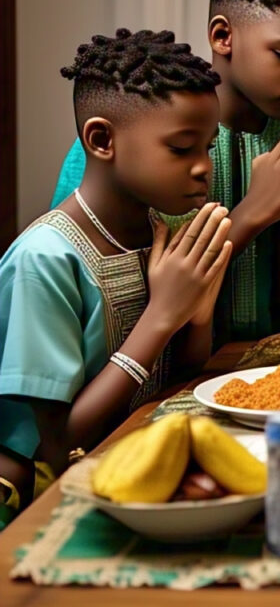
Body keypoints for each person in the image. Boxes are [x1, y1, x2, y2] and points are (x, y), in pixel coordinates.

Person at [51, 0, 280, 340]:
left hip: (264, 374)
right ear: (223, 36)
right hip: (160, 378)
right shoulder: (133, 136)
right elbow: (99, 291)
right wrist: (256, 210)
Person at [0, 30, 232, 527]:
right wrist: (162, 317)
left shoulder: (160, 231)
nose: (202, 168)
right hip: (52, 495)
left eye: (208, 147)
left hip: (146, 470)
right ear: (102, 140)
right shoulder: (46, 259)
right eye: (181, 148)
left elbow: (180, 385)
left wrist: (197, 317)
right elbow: (57, 445)